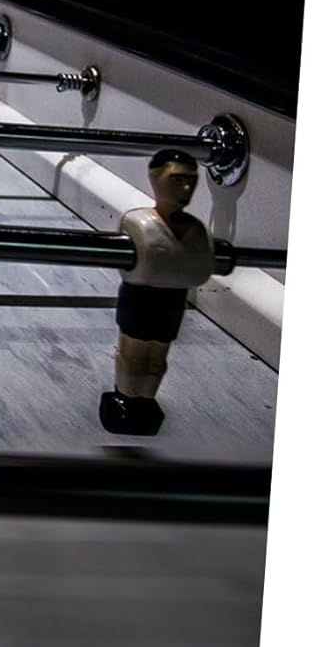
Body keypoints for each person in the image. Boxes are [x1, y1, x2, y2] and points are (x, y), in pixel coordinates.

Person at [101, 149, 215, 435]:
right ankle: (126, 397)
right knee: (134, 354)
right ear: (155, 179)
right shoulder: (138, 223)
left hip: (171, 301)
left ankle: (144, 400)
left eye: (191, 181)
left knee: (156, 360)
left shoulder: (195, 230)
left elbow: (199, 271)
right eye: (177, 180)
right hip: (141, 298)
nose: (186, 189)